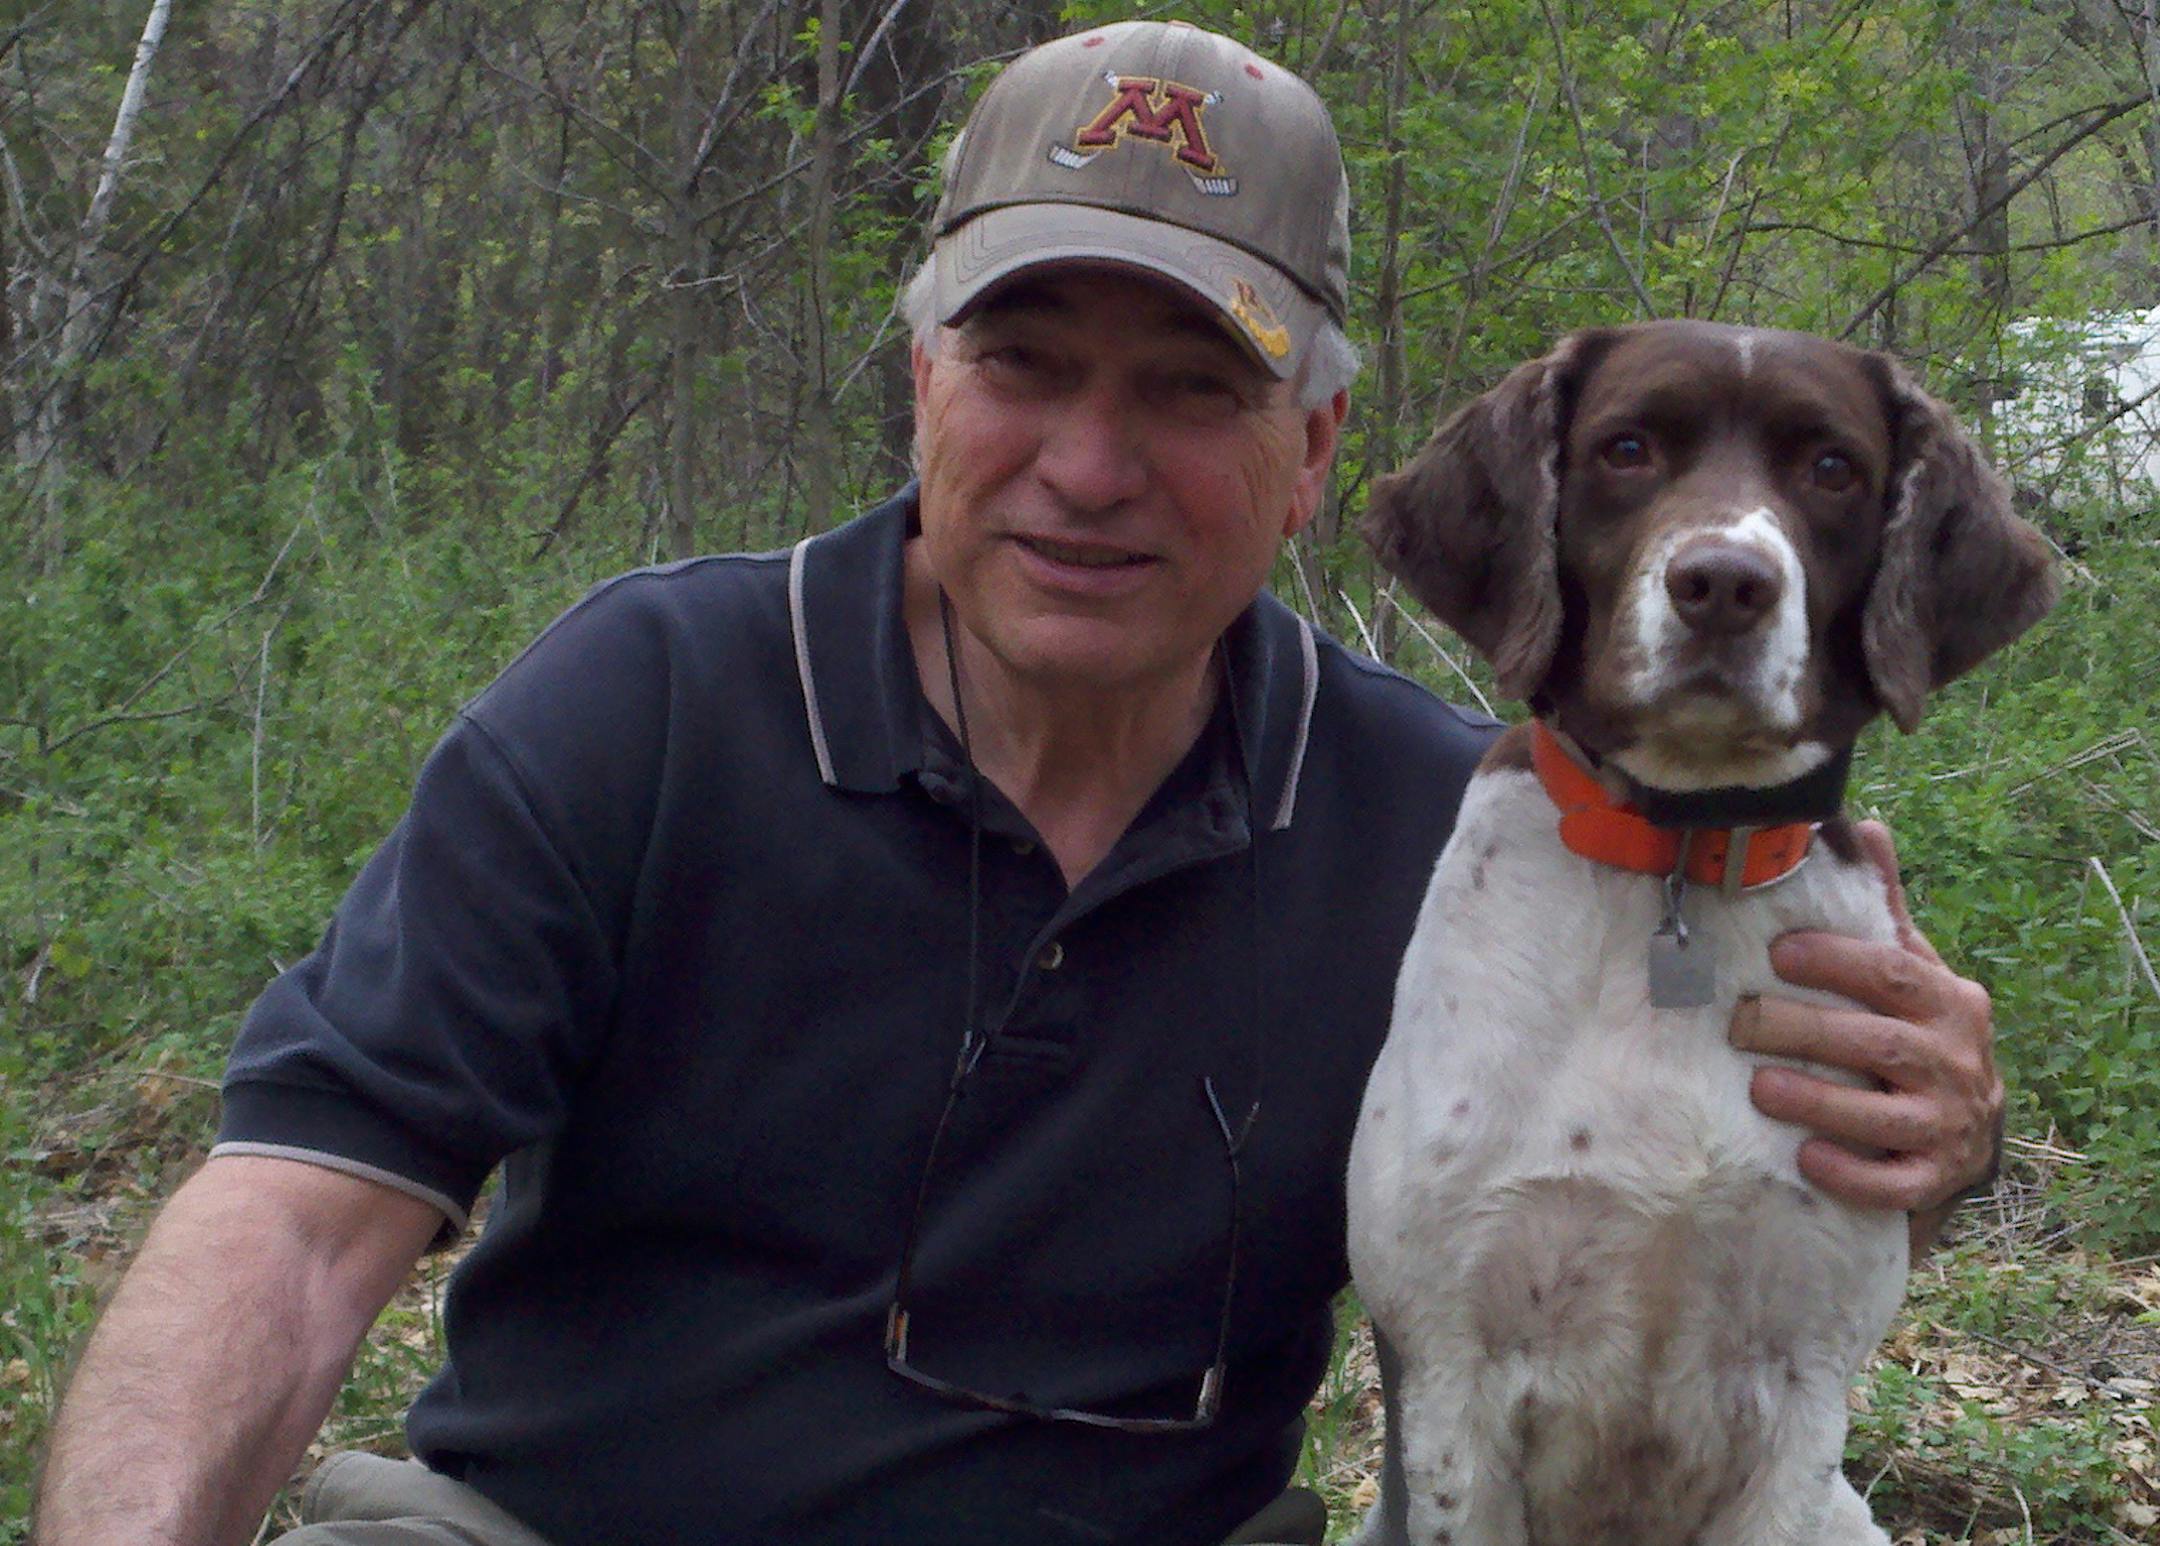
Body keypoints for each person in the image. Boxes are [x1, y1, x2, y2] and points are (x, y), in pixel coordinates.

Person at [32, 20, 2002, 1546]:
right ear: (920, 382)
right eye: (1026, 359)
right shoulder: (642, 704)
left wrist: (1940, 1113)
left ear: (1315, 450)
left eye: (1191, 386)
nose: (1088, 460)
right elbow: (289, 1229)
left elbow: (1727, 1108)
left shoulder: (1459, 838)